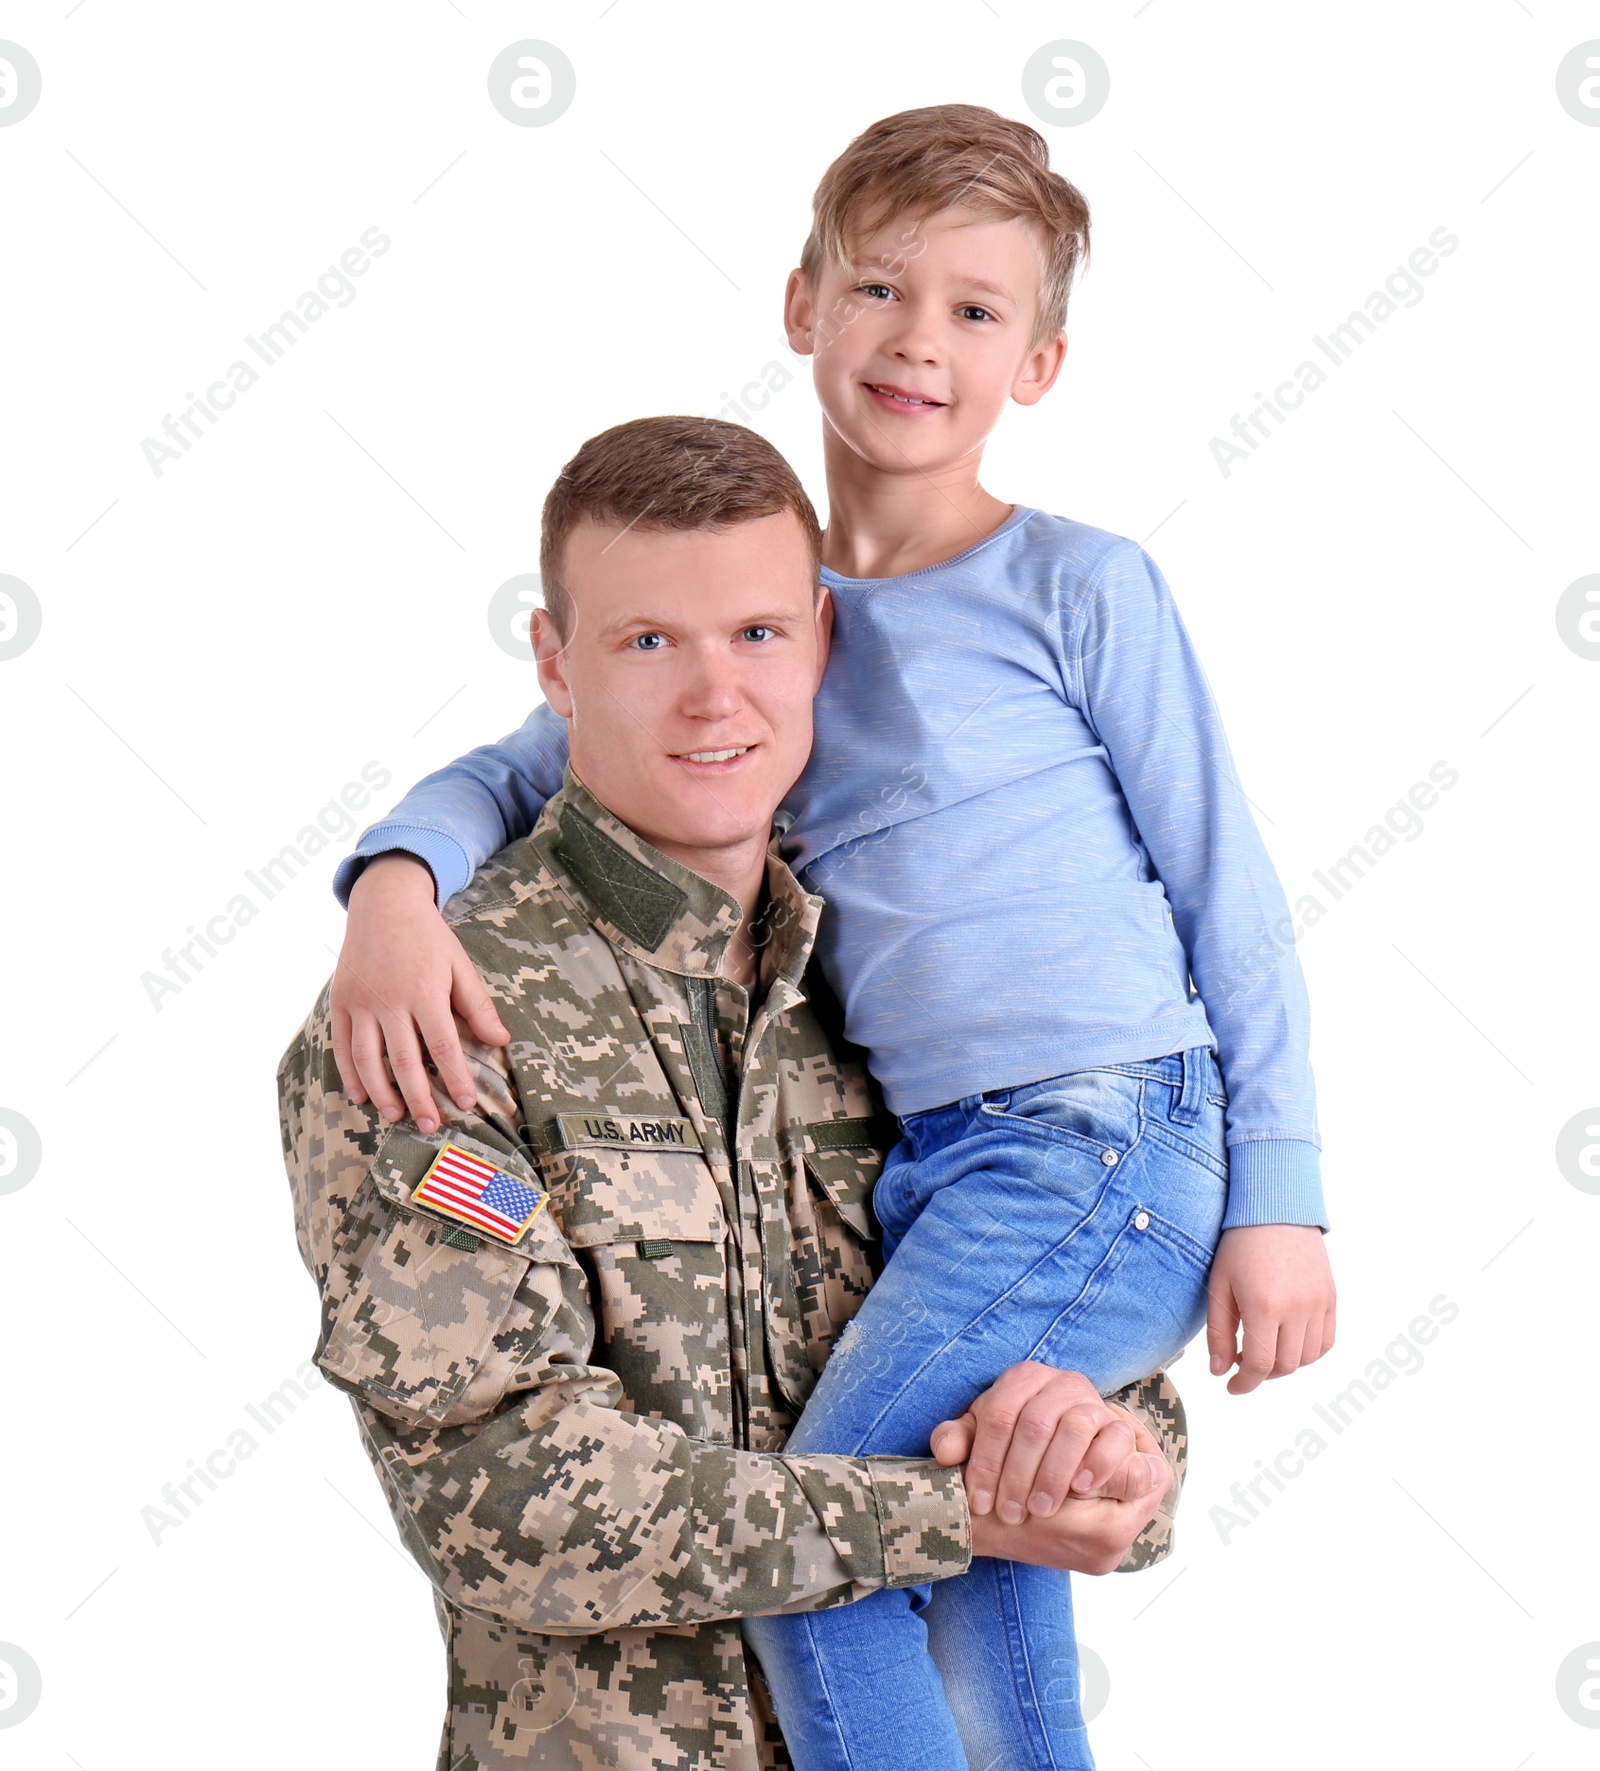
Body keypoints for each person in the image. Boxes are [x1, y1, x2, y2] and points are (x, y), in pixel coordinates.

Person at [326, 107, 1337, 1771]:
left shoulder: (1078, 588)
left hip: (1100, 1132)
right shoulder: (787, 611)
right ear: (801, 306)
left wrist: (1281, 1196)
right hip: (960, 1154)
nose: (918, 341)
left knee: (869, 1544)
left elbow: (1232, 893)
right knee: (969, 1534)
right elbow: (521, 760)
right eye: (879, 289)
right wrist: (391, 882)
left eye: (976, 309)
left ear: (1046, 359)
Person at [280, 416, 1187, 1771]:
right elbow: (507, 1495)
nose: (716, 698)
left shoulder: (910, 984)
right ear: (555, 663)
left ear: (824, 638)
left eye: (758, 634)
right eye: (651, 642)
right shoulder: (436, 1016)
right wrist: (963, 1513)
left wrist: (1114, 1452)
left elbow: (1082, 1300)